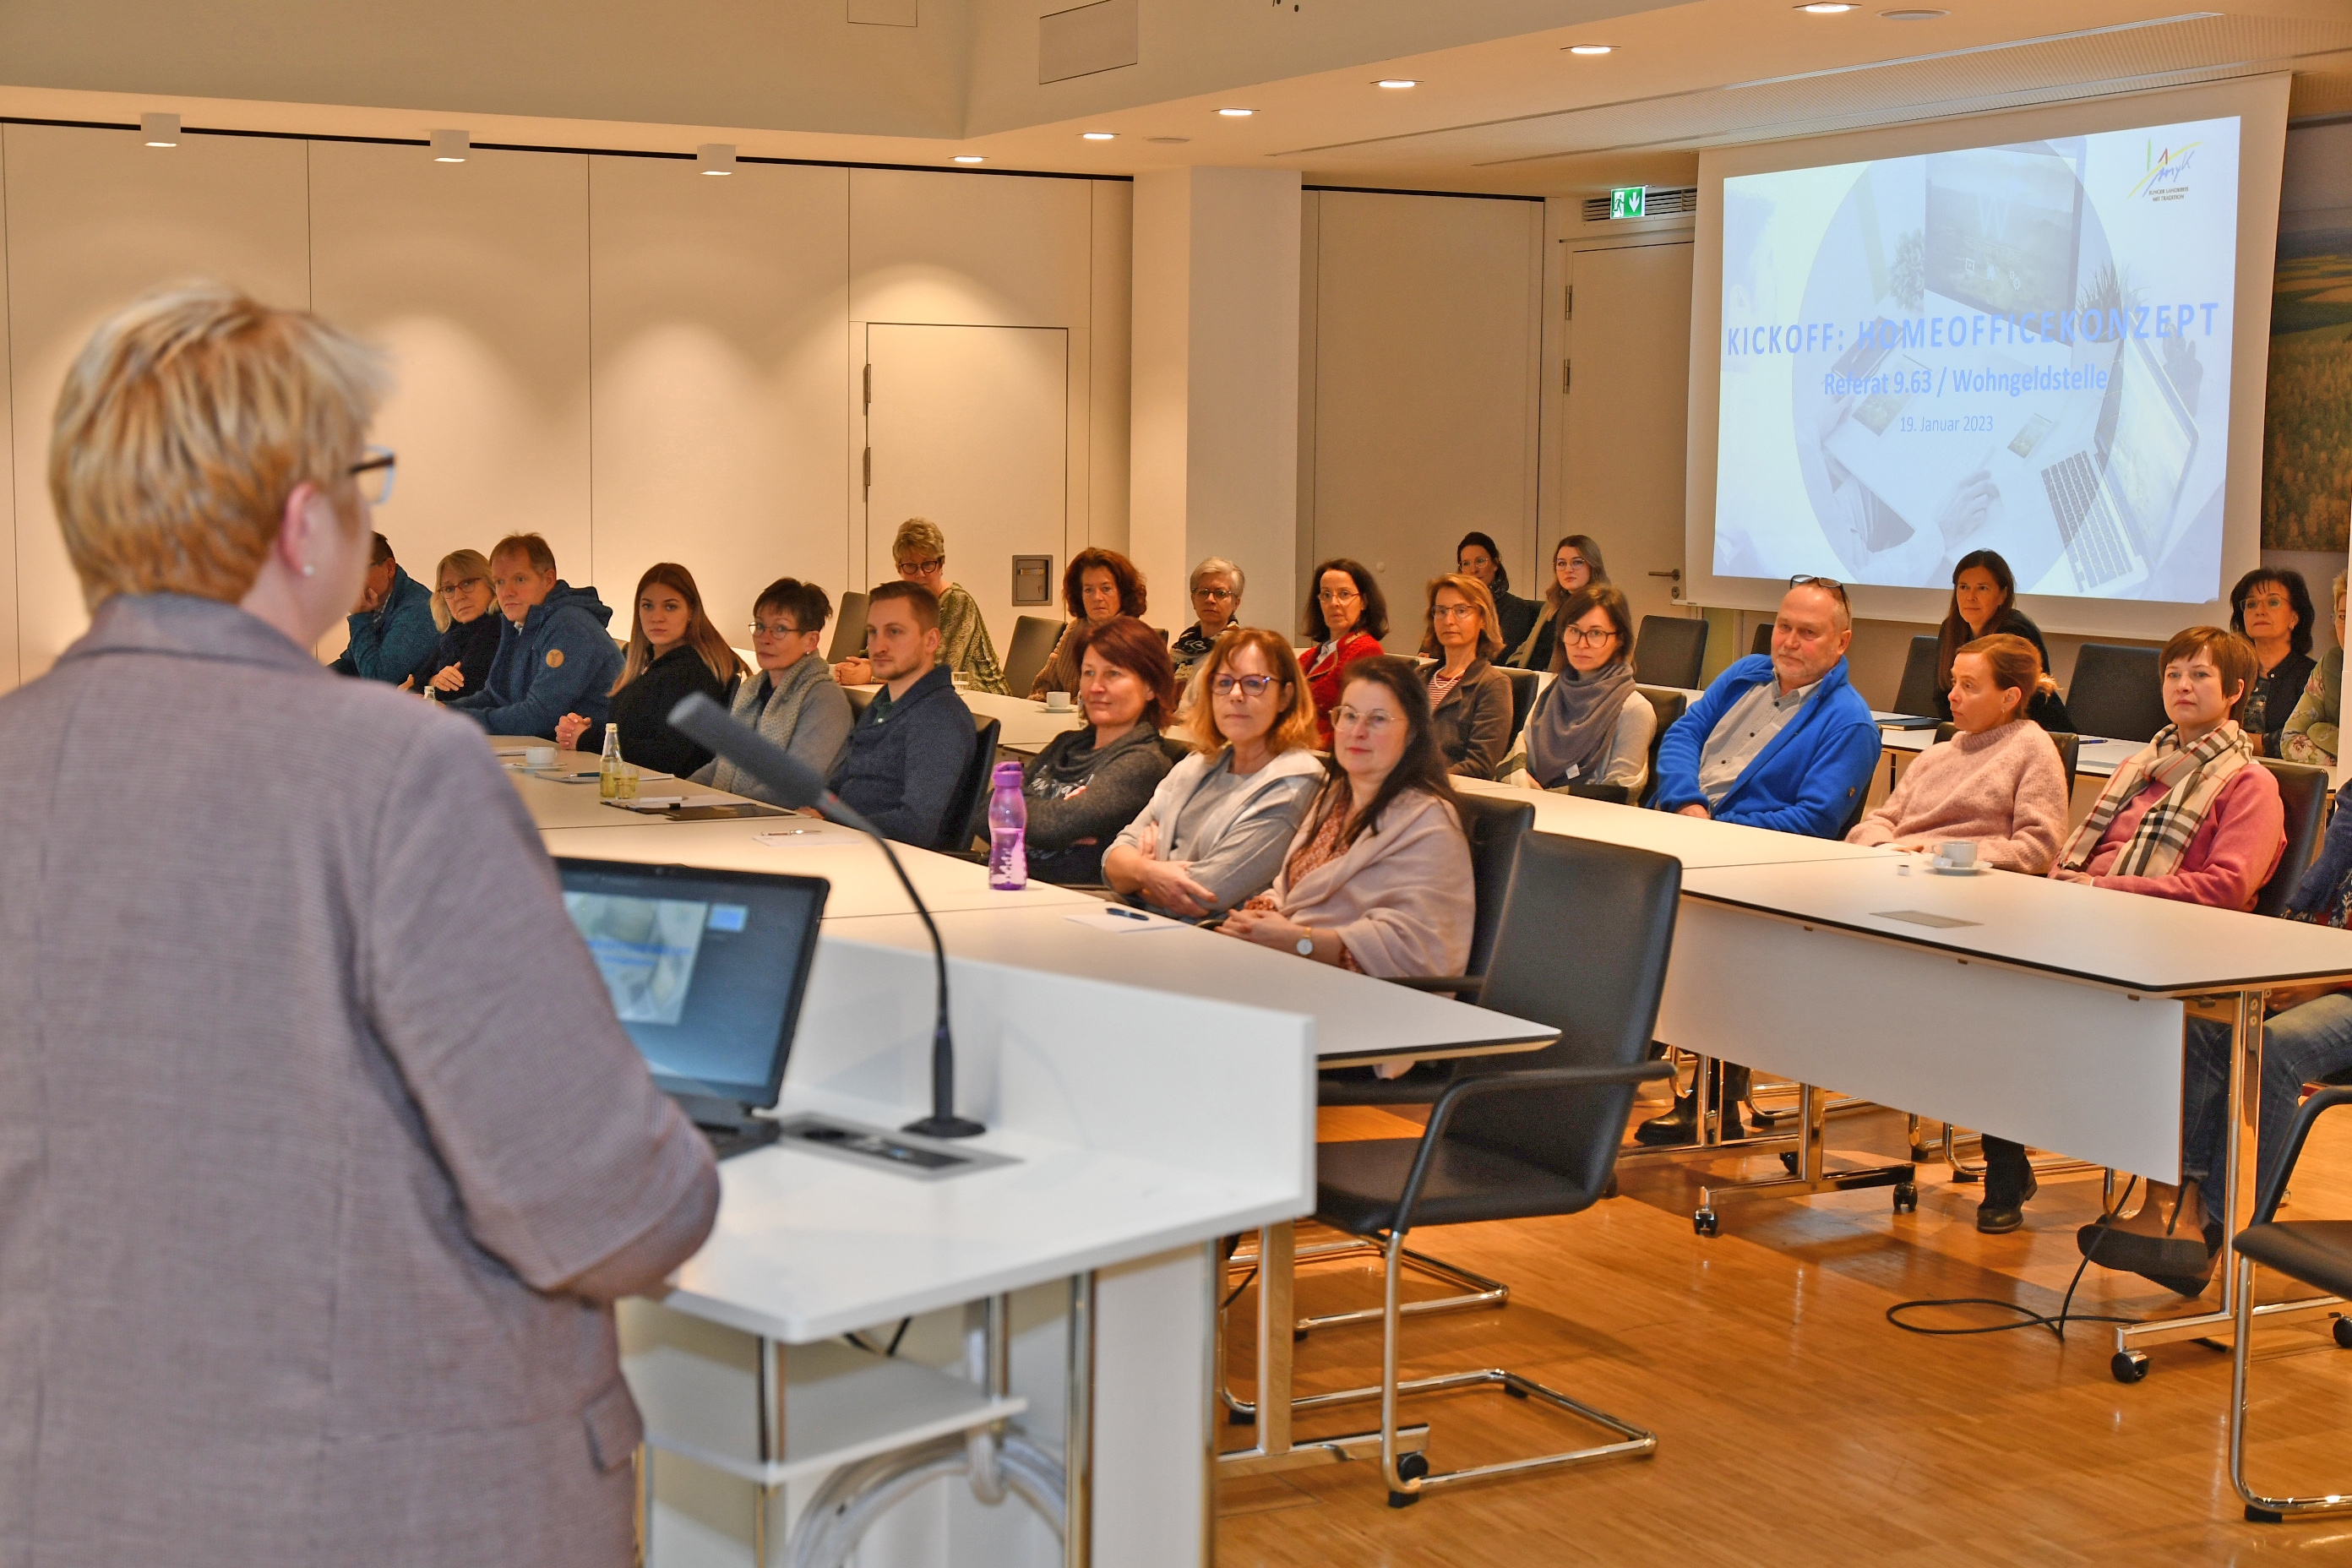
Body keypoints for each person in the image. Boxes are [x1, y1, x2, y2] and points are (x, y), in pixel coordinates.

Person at [0, 283, 717, 1563]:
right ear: (300, 522)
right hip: (381, 1506)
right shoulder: (394, 771)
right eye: (361, 477)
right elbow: (608, 1207)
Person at [2055, 627, 2286, 1287]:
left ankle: (2179, 1213)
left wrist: (2103, 889)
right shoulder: (2140, 768)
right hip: (2105, 930)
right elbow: (2089, 856)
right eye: (2174, 675)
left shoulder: (2249, 783)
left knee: (2184, 1026)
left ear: (2235, 691)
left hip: (2192, 953)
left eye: (2201, 676)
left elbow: (2227, 888)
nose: (2183, 686)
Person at [1637, 576, 1883, 1146]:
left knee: (1679, 935)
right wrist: (1688, 803)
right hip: (1680, 827)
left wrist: (1716, 832)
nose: (1789, 642)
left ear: (1841, 642)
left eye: (1808, 633)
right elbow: (1682, 735)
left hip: (1752, 867)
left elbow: (1814, 821)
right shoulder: (1746, 673)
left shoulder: (1848, 723)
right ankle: (1608, 1051)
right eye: (1783, 627)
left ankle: (1709, 1096)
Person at [1218, 655, 1474, 977]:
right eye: (1349, 715)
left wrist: (1300, 940)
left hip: (1361, 993)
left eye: (1377, 719)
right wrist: (1257, 918)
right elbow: (1289, 890)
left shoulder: (1431, 823)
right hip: (1287, 969)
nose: (1357, 731)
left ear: (1412, 733)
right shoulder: (1335, 797)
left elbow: (1416, 952)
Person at [1103, 629, 1325, 918]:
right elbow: (1112, 861)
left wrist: (1138, 875)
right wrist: (1147, 871)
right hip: (1142, 917)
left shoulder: (1295, 783)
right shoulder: (1197, 764)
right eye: (1224, 682)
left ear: (1285, 696)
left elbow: (1204, 895)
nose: (1235, 695)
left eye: (1254, 683)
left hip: (1206, 936)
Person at [1017, 617, 1177, 884]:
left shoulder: (1143, 762)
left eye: (1113, 674)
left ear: (1150, 687)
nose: (1095, 687)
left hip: (1065, 898)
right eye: (1089, 673)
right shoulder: (1067, 744)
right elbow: (984, 811)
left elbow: (1055, 826)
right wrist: (1045, 823)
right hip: (1008, 882)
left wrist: (1015, 823)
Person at [556, 563, 745, 776]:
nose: (657, 617)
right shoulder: (645, 664)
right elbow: (639, 733)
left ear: (691, 612)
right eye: (648, 606)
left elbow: (670, 756)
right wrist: (588, 730)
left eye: (670, 607)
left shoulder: (694, 672)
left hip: (672, 791)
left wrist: (588, 739)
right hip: (634, 783)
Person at [829, 580, 977, 847]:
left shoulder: (940, 718)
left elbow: (916, 825)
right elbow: (842, 782)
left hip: (887, 858)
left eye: (894, 632)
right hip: (846, 844)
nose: (878, 646)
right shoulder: (884, 703)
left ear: (931, 640)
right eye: (872, 632)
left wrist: (831, 823)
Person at [446, 532, 624, 744]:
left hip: (595, 754)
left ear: (548, 580)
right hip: (550, 750)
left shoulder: (570, 625)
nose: (507, 592)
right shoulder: (518, 623)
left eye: (519, 580)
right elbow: (495, 696)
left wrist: (456, 719)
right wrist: (440, 710)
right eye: (500, 582)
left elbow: (540, 716)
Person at [692, 577, 854, 799]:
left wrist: (724, 808)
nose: (764, 638)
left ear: (811, 640)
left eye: (780, 629)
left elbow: (792, 785)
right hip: (737, 810)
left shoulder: (824, 700)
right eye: (760, 626)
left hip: (785, 817)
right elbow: (724, 764)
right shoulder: (751, 689)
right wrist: (682, 793)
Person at [1503, 581, 1655, 798]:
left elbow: (1620, 793)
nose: (1582, 644)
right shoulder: (1550, 695)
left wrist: (1547, 797)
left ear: (1619, 639)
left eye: (1596, 634)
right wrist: (1528, 789)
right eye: (1574, 631)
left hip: (1591, 817)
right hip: (1532, 807)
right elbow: (1516, 759)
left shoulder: (1634, 710)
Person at [834, 518, 1007, 694]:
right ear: (899, 568)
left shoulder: (958, 603)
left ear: (941, 564)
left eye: (928, 564)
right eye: (911, 566)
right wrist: (855, 666)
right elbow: (877, 651)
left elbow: (937, 669)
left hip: (985, 702)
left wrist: (871, 673)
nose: (920, 574)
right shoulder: (903, 604)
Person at [1929, 550, 2072, 730]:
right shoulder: (1951, 628)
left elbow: (2023, 703)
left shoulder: (2015, 631)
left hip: (2039, 731)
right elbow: (1942, 694)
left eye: (1982, 588)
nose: (1970, 596)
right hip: (1979, 732)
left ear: (2003, 595)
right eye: (1964, 587)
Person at [1416, 573, 1514, 778]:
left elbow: (1480, 765)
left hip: (1450, 791)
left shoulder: (1492, 685)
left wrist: (1425, 784)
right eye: (1441, 611)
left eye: (1461, 611)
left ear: (1483, 619)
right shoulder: (1417, 677)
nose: (1448, 620)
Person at [1030, 547, 1146, 700]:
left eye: (1106, 589)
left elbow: (1106, 698)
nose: (1097, 597)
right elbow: (1046, 683)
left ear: (1122, 592)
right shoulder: (1075, 628)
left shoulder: (1133, 637)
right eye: (1088, 590)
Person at [2228, 566, 2316, 758]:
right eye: (2251, 604)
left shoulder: (2313, 676)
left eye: (2273, 602)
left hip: (2286, 772)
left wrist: (2230, 739)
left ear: (2294, 618)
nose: (2259, 611)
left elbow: (2303, 740)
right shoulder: (2227, 669)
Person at [329, 530, 437, 683]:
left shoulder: (418, 611)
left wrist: (359, 618)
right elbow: (351, 663)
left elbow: (379, 679)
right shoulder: (378, 603)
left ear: (389, 568)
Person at [1302, 557, 1387, 749]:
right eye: (1326, 595)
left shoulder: (1367, 652)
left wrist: (1305, 744)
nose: (1334, 603)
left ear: (1364, 601)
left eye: (1344, 594)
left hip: (1329, 755)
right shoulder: (1310, 656)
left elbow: (1360, 724)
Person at [401, 547, 504, 699]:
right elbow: (417, 680)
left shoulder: (497, 626)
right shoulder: (453, 633)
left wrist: (426, 687)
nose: (458, 596)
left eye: (467, 583)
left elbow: (462, 688)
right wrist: (433, 681)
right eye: (449, 589)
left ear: (490, 582)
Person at [1503, 534, 1608, 670]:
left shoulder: (1603, 609)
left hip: (1565, 680)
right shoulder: (1552, 604)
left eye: (1577, 562)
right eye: (1561, 563)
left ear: (1592, 565)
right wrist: (1513, 670)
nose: (1568, 570)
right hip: (1531, 677)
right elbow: (1528, 647)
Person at [2278, 570, 2345, 768]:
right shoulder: (2331, 664)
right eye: (2343, 616)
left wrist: (2321, 733)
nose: (2349, 626)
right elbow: (2290, 741)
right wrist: (2343, 760)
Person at [1456, 531, 1538, 652]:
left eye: (1480, 561)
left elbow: (1501, 655)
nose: (1473, 570)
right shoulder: (1451, 606)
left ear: (1495, 564)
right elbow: (1432, 648)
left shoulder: (1514, 608)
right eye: (1466, 563)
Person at [1171, 557, 1244, 684]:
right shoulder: (1179, 650)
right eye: (1203, 592)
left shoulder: (1239, 651)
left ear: (1236, 603)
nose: (1210, 599)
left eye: (1221, 593)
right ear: (1193, 600)